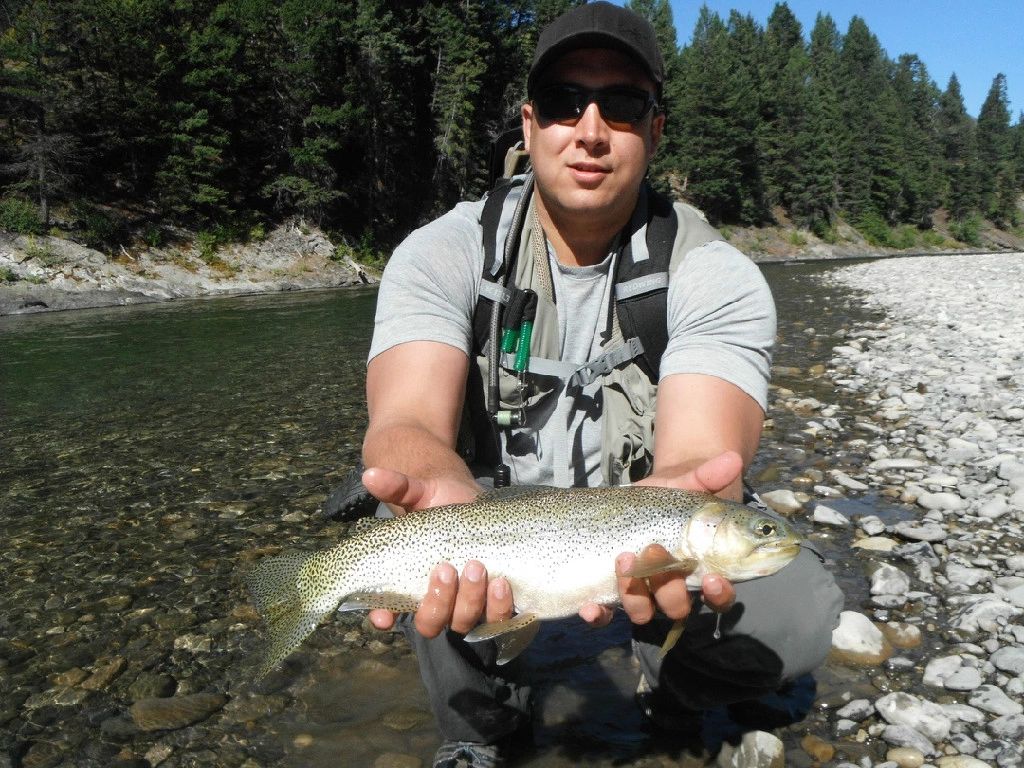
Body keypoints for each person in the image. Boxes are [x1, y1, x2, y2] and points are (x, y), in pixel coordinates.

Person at [359, 3, 843, 766]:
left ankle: (674, 683)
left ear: (653, 131)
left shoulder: (714, 276)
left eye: (620, 105)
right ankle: (481, 731)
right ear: (528, 126)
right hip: (489, 521)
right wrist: (426, 481)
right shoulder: (440, 253)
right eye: (562, 103)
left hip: (629, 533)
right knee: (442, 551)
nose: (589, 129)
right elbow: (407, 421)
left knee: (795, 610)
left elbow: (698, 458)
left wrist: (690, 495)